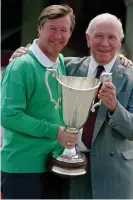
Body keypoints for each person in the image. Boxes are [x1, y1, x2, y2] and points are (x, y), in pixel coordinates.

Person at [10, 13, 133, 199]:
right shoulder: (66, 67)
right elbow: (40, 58)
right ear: (88, 38)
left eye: (112, 37)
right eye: (98, 36)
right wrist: (23, 53)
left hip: (114, 177)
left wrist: (115, 107)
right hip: (69, 171)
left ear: (121, 40)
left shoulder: (130, 77)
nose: (105, 43)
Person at [1, 4, 77, 199]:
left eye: (64, 30)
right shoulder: (21, 65)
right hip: (23, 169)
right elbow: (8, 116)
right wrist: (54, 131)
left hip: (53, 165)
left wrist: (118, 58)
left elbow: (90, 62)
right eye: (52, 29)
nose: (58, 36)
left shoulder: (59, 60)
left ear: (70, 33)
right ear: (39, 28)